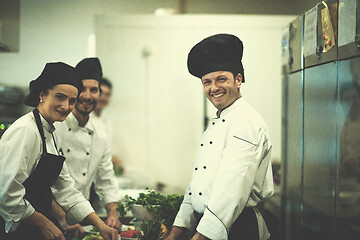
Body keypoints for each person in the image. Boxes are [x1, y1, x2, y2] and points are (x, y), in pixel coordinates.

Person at [165, 34, 274, 240]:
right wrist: (176, 232)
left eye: (221, 79)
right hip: (208, 227)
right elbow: (197, 185)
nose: (214, 88)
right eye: (207, 82)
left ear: (239, 80)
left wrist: (198, 237)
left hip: (238, 230)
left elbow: (230, 192)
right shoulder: (220, 119)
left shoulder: (245, 122)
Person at [0, 62, 119, 240]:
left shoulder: (50, 132)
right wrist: (44, 222)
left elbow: (65, 188)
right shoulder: (26, 130)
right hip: (16, 228)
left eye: (71, 101)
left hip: (34, 226)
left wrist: (100, 225)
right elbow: (7, 193)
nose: (66, 106)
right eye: (60, 97)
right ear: (42, 95)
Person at [54, 58, 122, 232]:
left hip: (81, 220)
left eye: (94, 90)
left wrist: (112, 213)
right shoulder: (56, 128)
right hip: (49, 218)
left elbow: (106, 181)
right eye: (82, 89)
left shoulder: (100, 136)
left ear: (99, 93)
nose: (87, 96)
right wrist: (61, 218)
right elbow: (41, 183)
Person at [91, 77, 124, 171]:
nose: (104, 98)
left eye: (107, 94)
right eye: (101, 93)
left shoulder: (107, 123)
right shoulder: (85, 120)